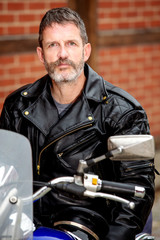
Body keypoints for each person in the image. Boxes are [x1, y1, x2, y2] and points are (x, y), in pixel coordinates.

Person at [0, 7, 155, 240]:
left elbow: (137, 193)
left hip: (91, 225)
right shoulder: (17, 106)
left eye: (71, 43)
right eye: (53, 45)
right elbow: (5, 172)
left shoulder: (121, 111)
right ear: (41, 54)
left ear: (86, 50)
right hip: (26, 223)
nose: (63, 54)